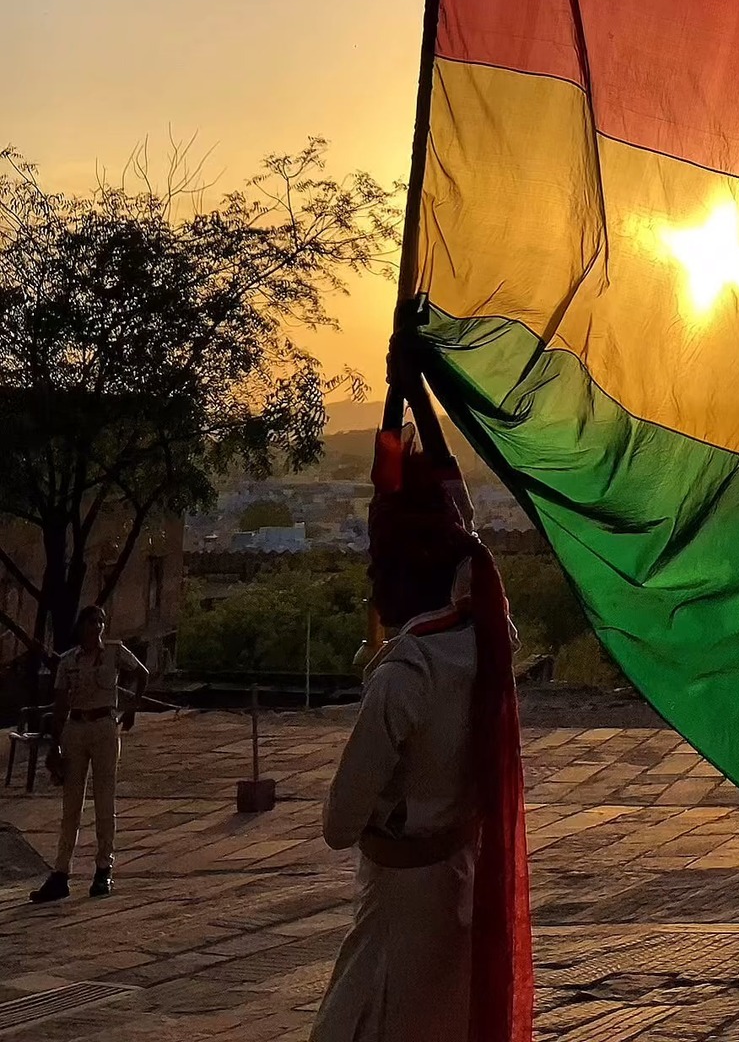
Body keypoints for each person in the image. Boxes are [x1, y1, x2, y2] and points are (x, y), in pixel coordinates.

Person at [310, 404, 532, 1042]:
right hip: (456, 883)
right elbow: (461, 519)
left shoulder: (406, 675)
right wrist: (408, 403)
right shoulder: (488, 640)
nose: (371, 576)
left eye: (379, 561)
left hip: (397, 906)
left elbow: (337, 825)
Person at [29, 603, 148, 903]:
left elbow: (141, 674)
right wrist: (55, 744)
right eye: (92, 622)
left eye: (101, 622)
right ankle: (61, 872)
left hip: (105, 725)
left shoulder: (114, 652)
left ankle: (103, 867)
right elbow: (59, 705)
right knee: (71, 803)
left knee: (105, 799)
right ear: (82, 626)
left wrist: (131, 709)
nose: (97, 627)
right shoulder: (69, 661)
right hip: (76, 727)